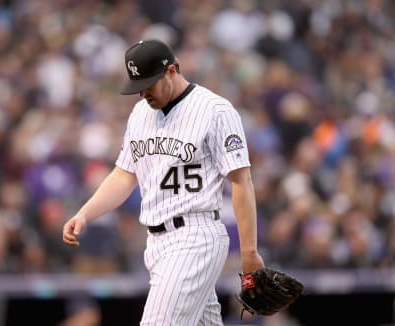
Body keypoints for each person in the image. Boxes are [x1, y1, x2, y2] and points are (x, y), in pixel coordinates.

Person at [63, 39, 265, 325]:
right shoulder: (140, 113)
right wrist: (85, 213)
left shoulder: (215, 110)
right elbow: (124, 174)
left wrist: (249, 253)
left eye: (149, 84)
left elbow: (241, 181)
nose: (144, 93)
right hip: (157, 243)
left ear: (172, 71)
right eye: (138, 86)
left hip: (195, 236)